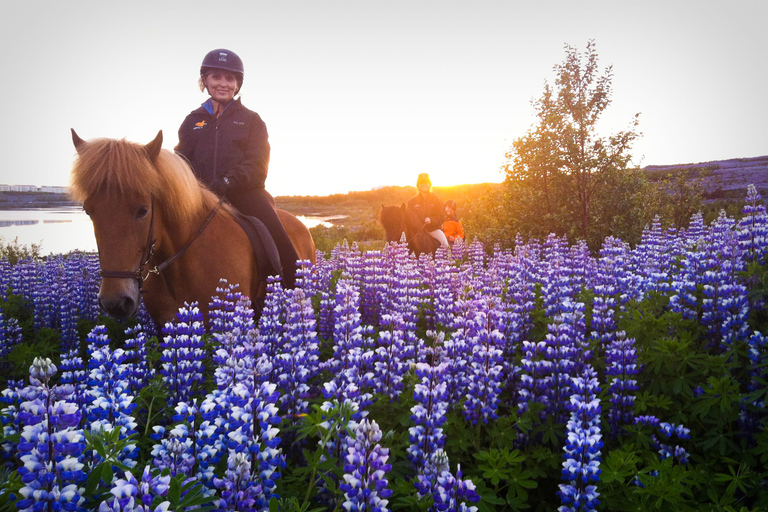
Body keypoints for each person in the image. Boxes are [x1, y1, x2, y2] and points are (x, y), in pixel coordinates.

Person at [176, 48, 299, 288]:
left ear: (237, 84)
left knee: (275, 230)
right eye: (216, 77)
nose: (223, 84)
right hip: (199, 196)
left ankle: (294, 290)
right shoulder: (193, 120)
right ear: (205, 81)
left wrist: (228, 181)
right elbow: (181, 159)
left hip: (244, 193)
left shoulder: (251, 120)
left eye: (230, 78)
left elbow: (257, 163)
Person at [407, 173, 449, 249]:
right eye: (421, 183)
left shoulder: (436, 199)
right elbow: (408, 217)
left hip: (433, 229)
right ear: (418, 185)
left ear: (429, 184)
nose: (424, 185)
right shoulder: (412, 202)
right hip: (416, 232)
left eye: (426, 183)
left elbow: (442, 216)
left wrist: (431, 220)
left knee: (445, 245)